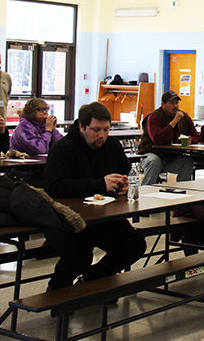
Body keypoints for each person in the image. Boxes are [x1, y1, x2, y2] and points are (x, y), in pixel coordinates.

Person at [43, 102, 146, 290]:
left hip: (103, 218)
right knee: (79, 257)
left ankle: (93, 281)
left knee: (134, 246)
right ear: (82, 126)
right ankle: (56, 291)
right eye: (96, 130)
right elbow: (56, 187)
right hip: (66, 220)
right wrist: (101, 184)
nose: (102, 135)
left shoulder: (112, 146)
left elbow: (126, 172)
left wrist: (125, 185)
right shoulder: (63, 149)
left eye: (106, 129)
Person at [137, 90, 198, 185]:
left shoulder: (184, 117)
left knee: (187, 161)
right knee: (154, 161)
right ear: (163, 104)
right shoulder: (154, 117)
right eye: (171, 103)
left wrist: (191, 140)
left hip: (170, 155)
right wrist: (173, 122)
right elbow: (157, 139)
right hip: (150, 153)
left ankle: (183, 190)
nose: (175, 106)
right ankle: (146, 192)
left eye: (176, 103)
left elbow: (196, 136)